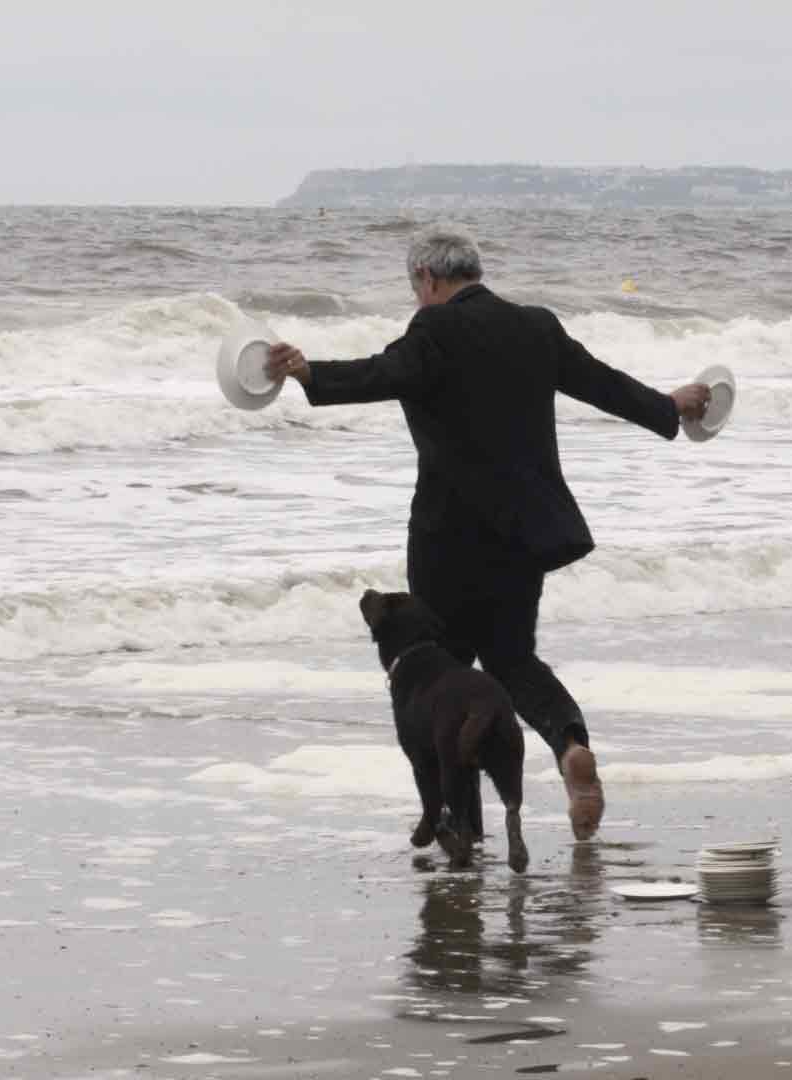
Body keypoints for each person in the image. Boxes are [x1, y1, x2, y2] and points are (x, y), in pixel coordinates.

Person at [264, 230, 710, 842]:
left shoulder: (435, 331)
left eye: (416, 289)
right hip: (523, 533)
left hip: (448, 537)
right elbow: (601, 384)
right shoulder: (536, 326)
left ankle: (463, 828)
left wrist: (310, 371)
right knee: (512, 659)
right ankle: (571, 743)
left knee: (449, 682)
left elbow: (382, 374)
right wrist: (670, 406)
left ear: (427, 278)